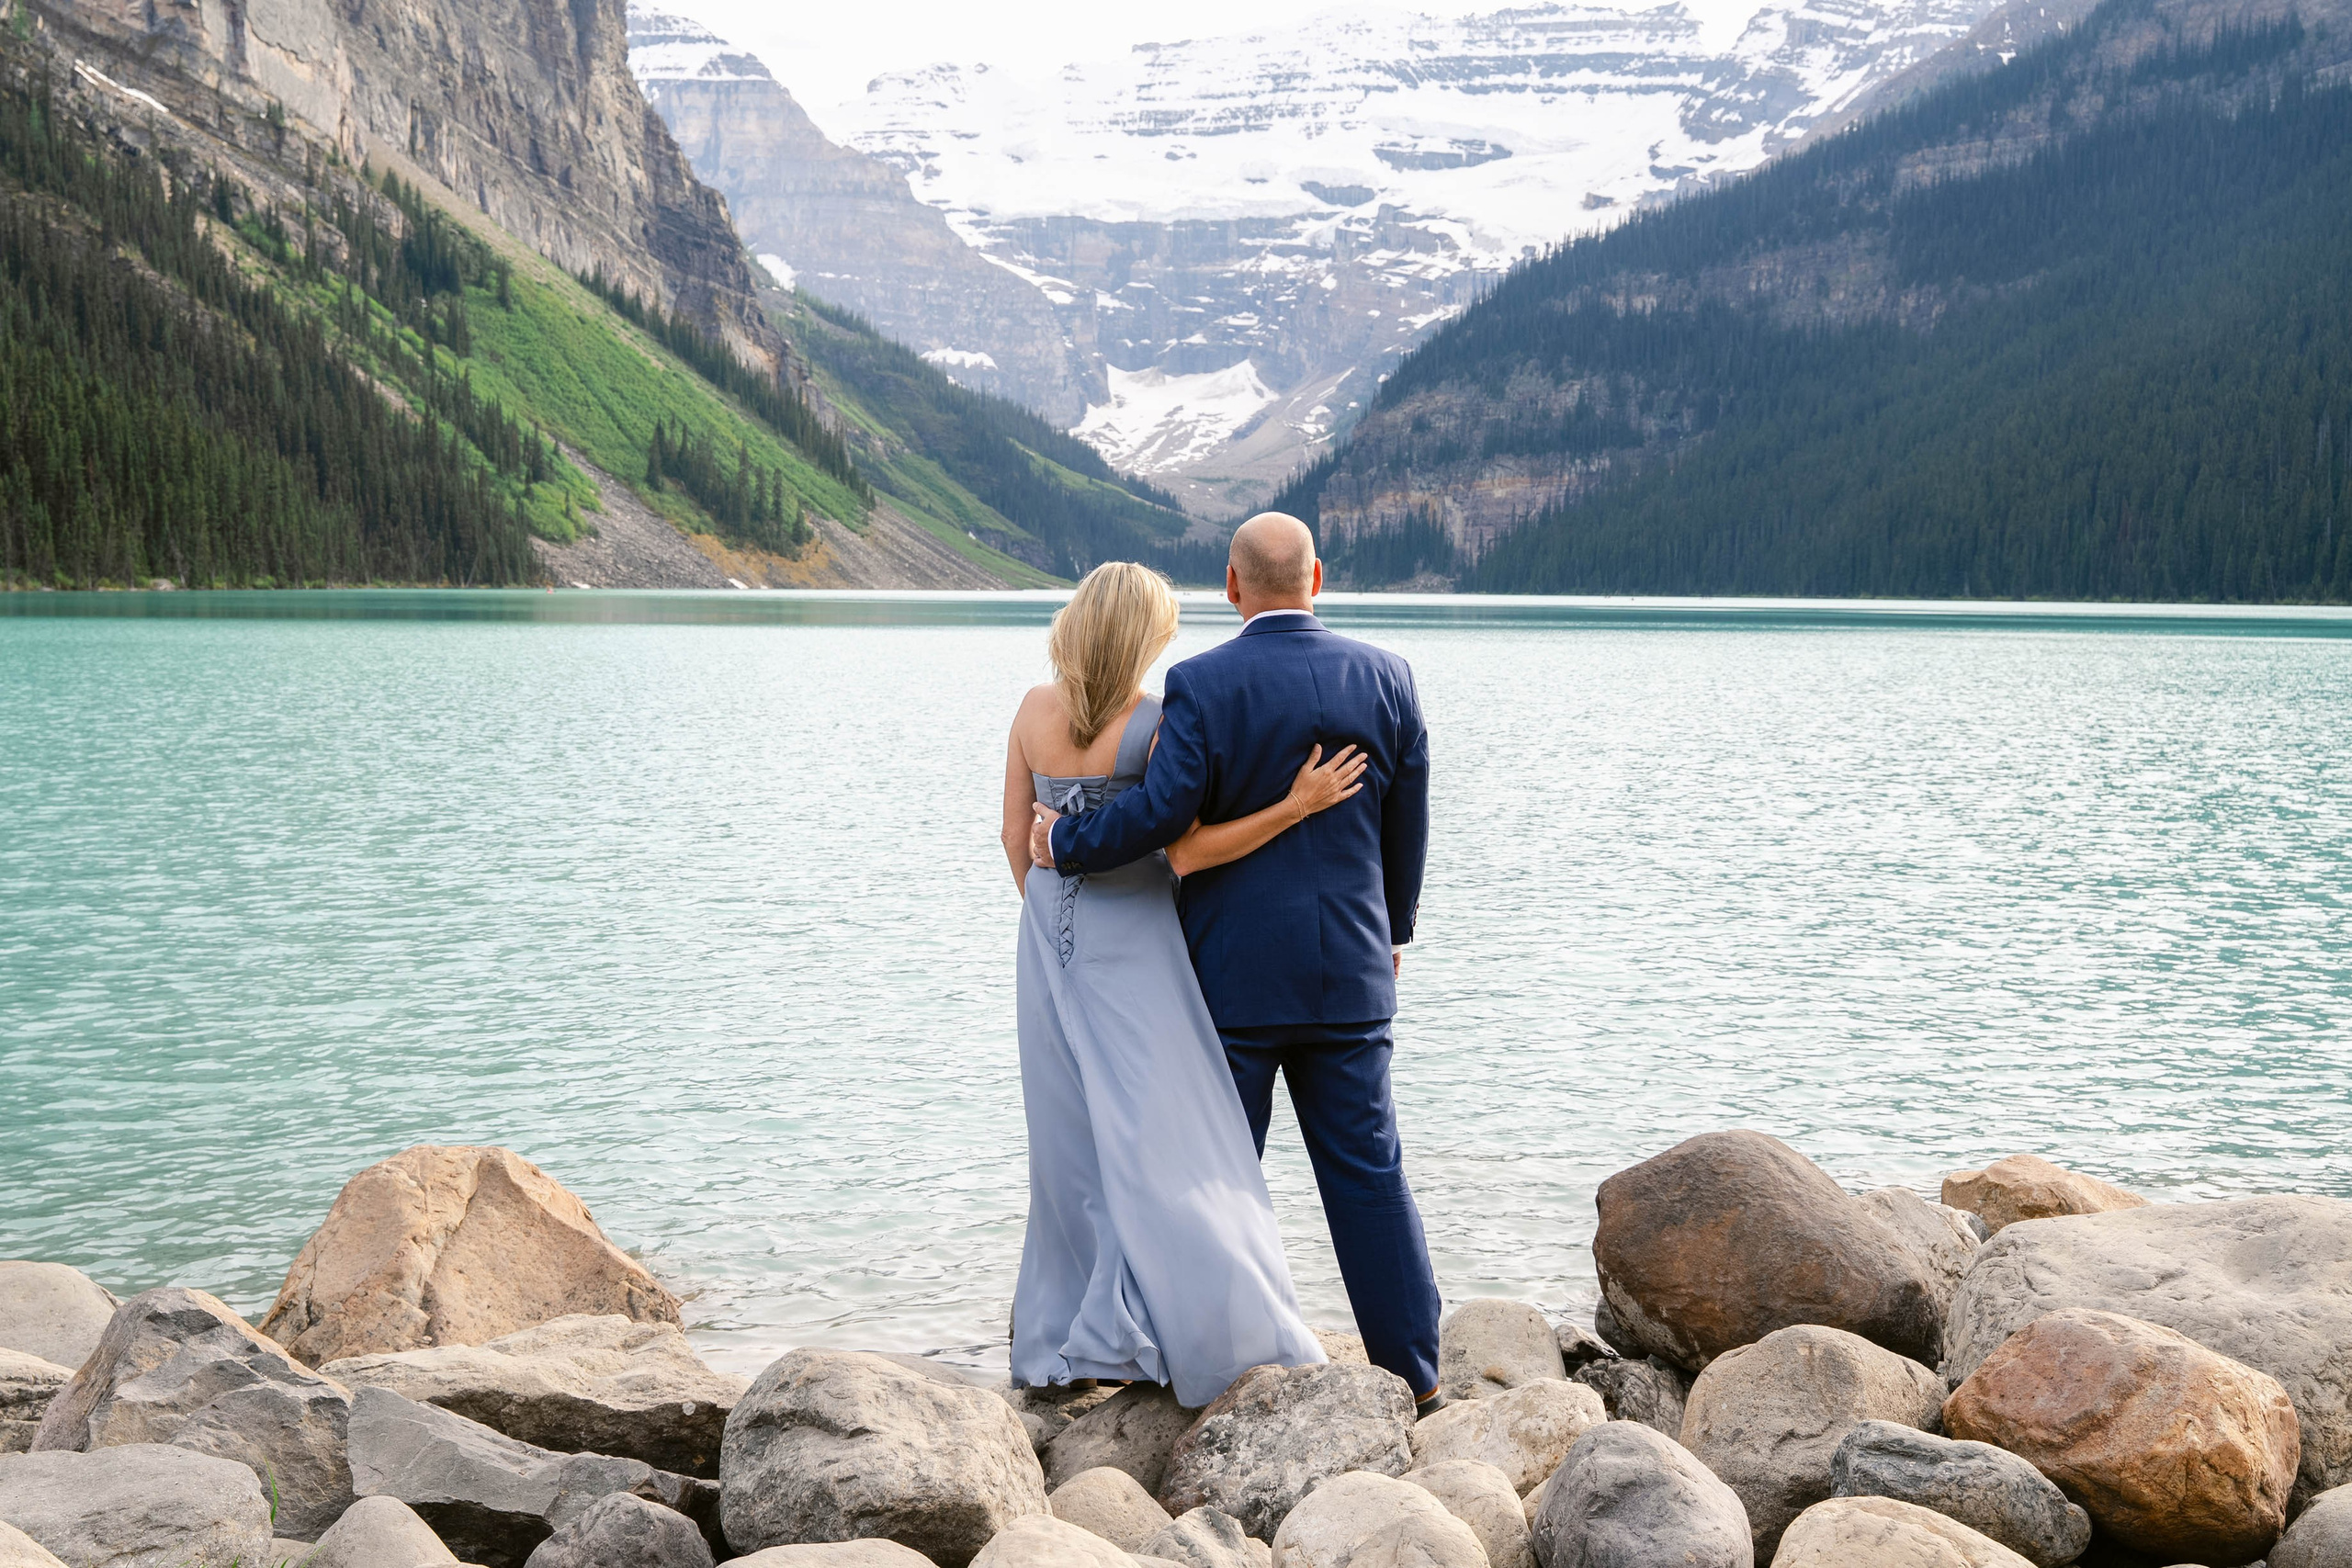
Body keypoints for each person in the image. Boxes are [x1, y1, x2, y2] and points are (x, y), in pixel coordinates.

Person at [1032, 513, 1445, 1414]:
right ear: (1317, 578)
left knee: (1210, 1171)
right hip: (1351, 970)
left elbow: (1159, 814)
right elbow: (1404, 826)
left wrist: (1067, 842)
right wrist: (1395, 932)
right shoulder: (1388, 676)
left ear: (1230, 585)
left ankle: (1191, 1361)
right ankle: (1416, 1377)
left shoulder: (1202, 684)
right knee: (1369, 1175)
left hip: (1232, 977)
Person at [1001, 559, 1359, 1405]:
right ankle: (1196, 1324)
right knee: (1171, 1136)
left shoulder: (1031, 711)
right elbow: (1189, 851)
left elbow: (1016, 839)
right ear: (1146, 634)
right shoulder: (1158, 722)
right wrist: (1294, 807)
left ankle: (1070, 1340)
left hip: (1048, 939)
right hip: (1141, 941)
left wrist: (1061, 930)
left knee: (1067, 1142)